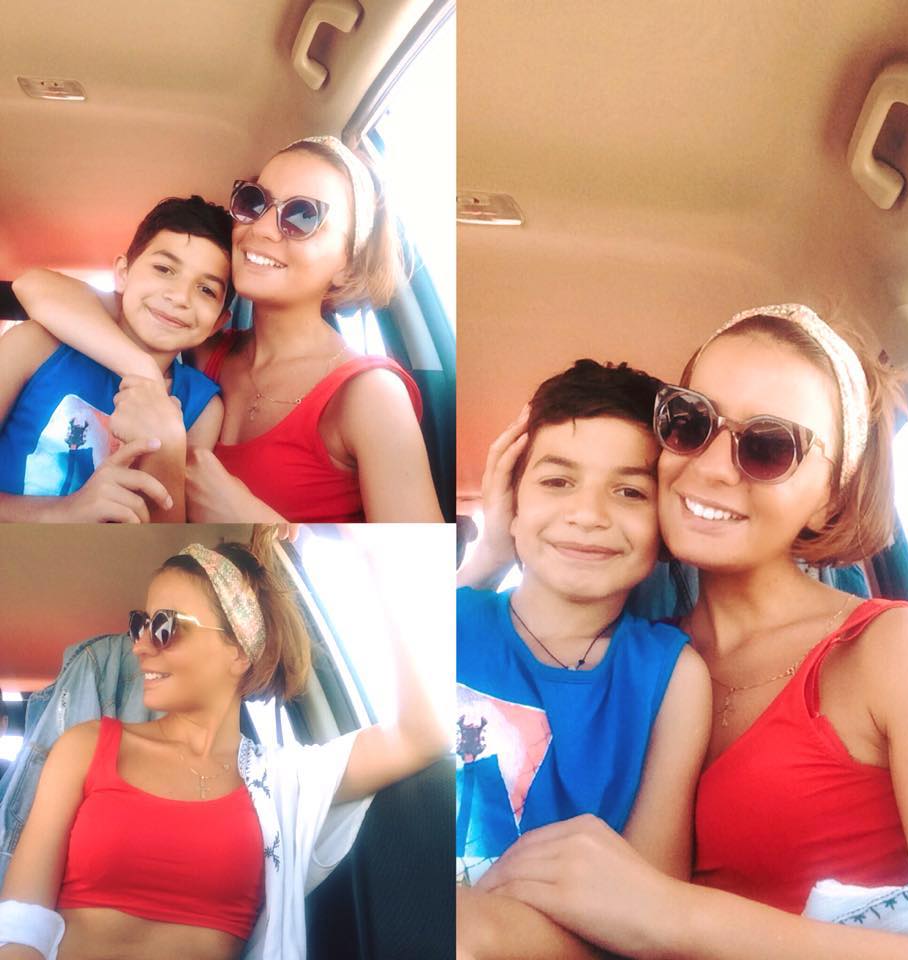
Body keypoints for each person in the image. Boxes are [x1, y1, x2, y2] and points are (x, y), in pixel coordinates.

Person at [465, 304, 908, 958]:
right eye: (691, 422)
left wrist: (672, 913)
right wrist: (486, 560)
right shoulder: (632, 665)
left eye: (769, 446)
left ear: (831, 495)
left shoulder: (892, 651)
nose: (715, 467)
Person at [0, 536, 447, 960]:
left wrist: (373, 555)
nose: (139, 646)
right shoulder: (85, 747)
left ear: (238, 650)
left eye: (164, 627)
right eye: (140, 624)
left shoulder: (282, 782)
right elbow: (20, 926)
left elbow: (421, 735)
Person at [13, 136, 443, 523]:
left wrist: (256, 519)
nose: (263, 228)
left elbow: (419, 571)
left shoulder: (371, 395)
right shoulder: (202, 347)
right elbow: (41, 289)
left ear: (348, 262)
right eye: (255, 202)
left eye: (302, 216)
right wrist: (142, 370)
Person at [457, 360, 711, 960]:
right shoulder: (451, 619)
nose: (589, 515)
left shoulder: (671, 677)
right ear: (511, 500)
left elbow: (650, 914)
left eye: (630, 491)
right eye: (557, 481)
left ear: (665, 524)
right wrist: (490, 550)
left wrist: (481, 931)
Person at [2, 196, 232, 523]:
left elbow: (166, 533)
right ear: (123, 273)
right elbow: (33, 284)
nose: (180, 297)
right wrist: (64, 512)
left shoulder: (203, 407)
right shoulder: (34, 345)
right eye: (164, 269)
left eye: (206, 289)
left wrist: (168, 444)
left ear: (219, 322)